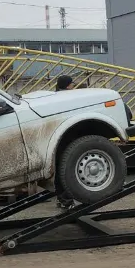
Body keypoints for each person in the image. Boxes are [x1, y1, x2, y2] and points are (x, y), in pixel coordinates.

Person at [54, 74, 76, 209]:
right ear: (68, 85)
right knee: (67, 169)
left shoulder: (55, 97)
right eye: (72, 84)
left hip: (57, 139)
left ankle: (61, 198)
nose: (73, 86)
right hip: (67, 138)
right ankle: (66, 199)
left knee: (59, 169)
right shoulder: (69, 98)